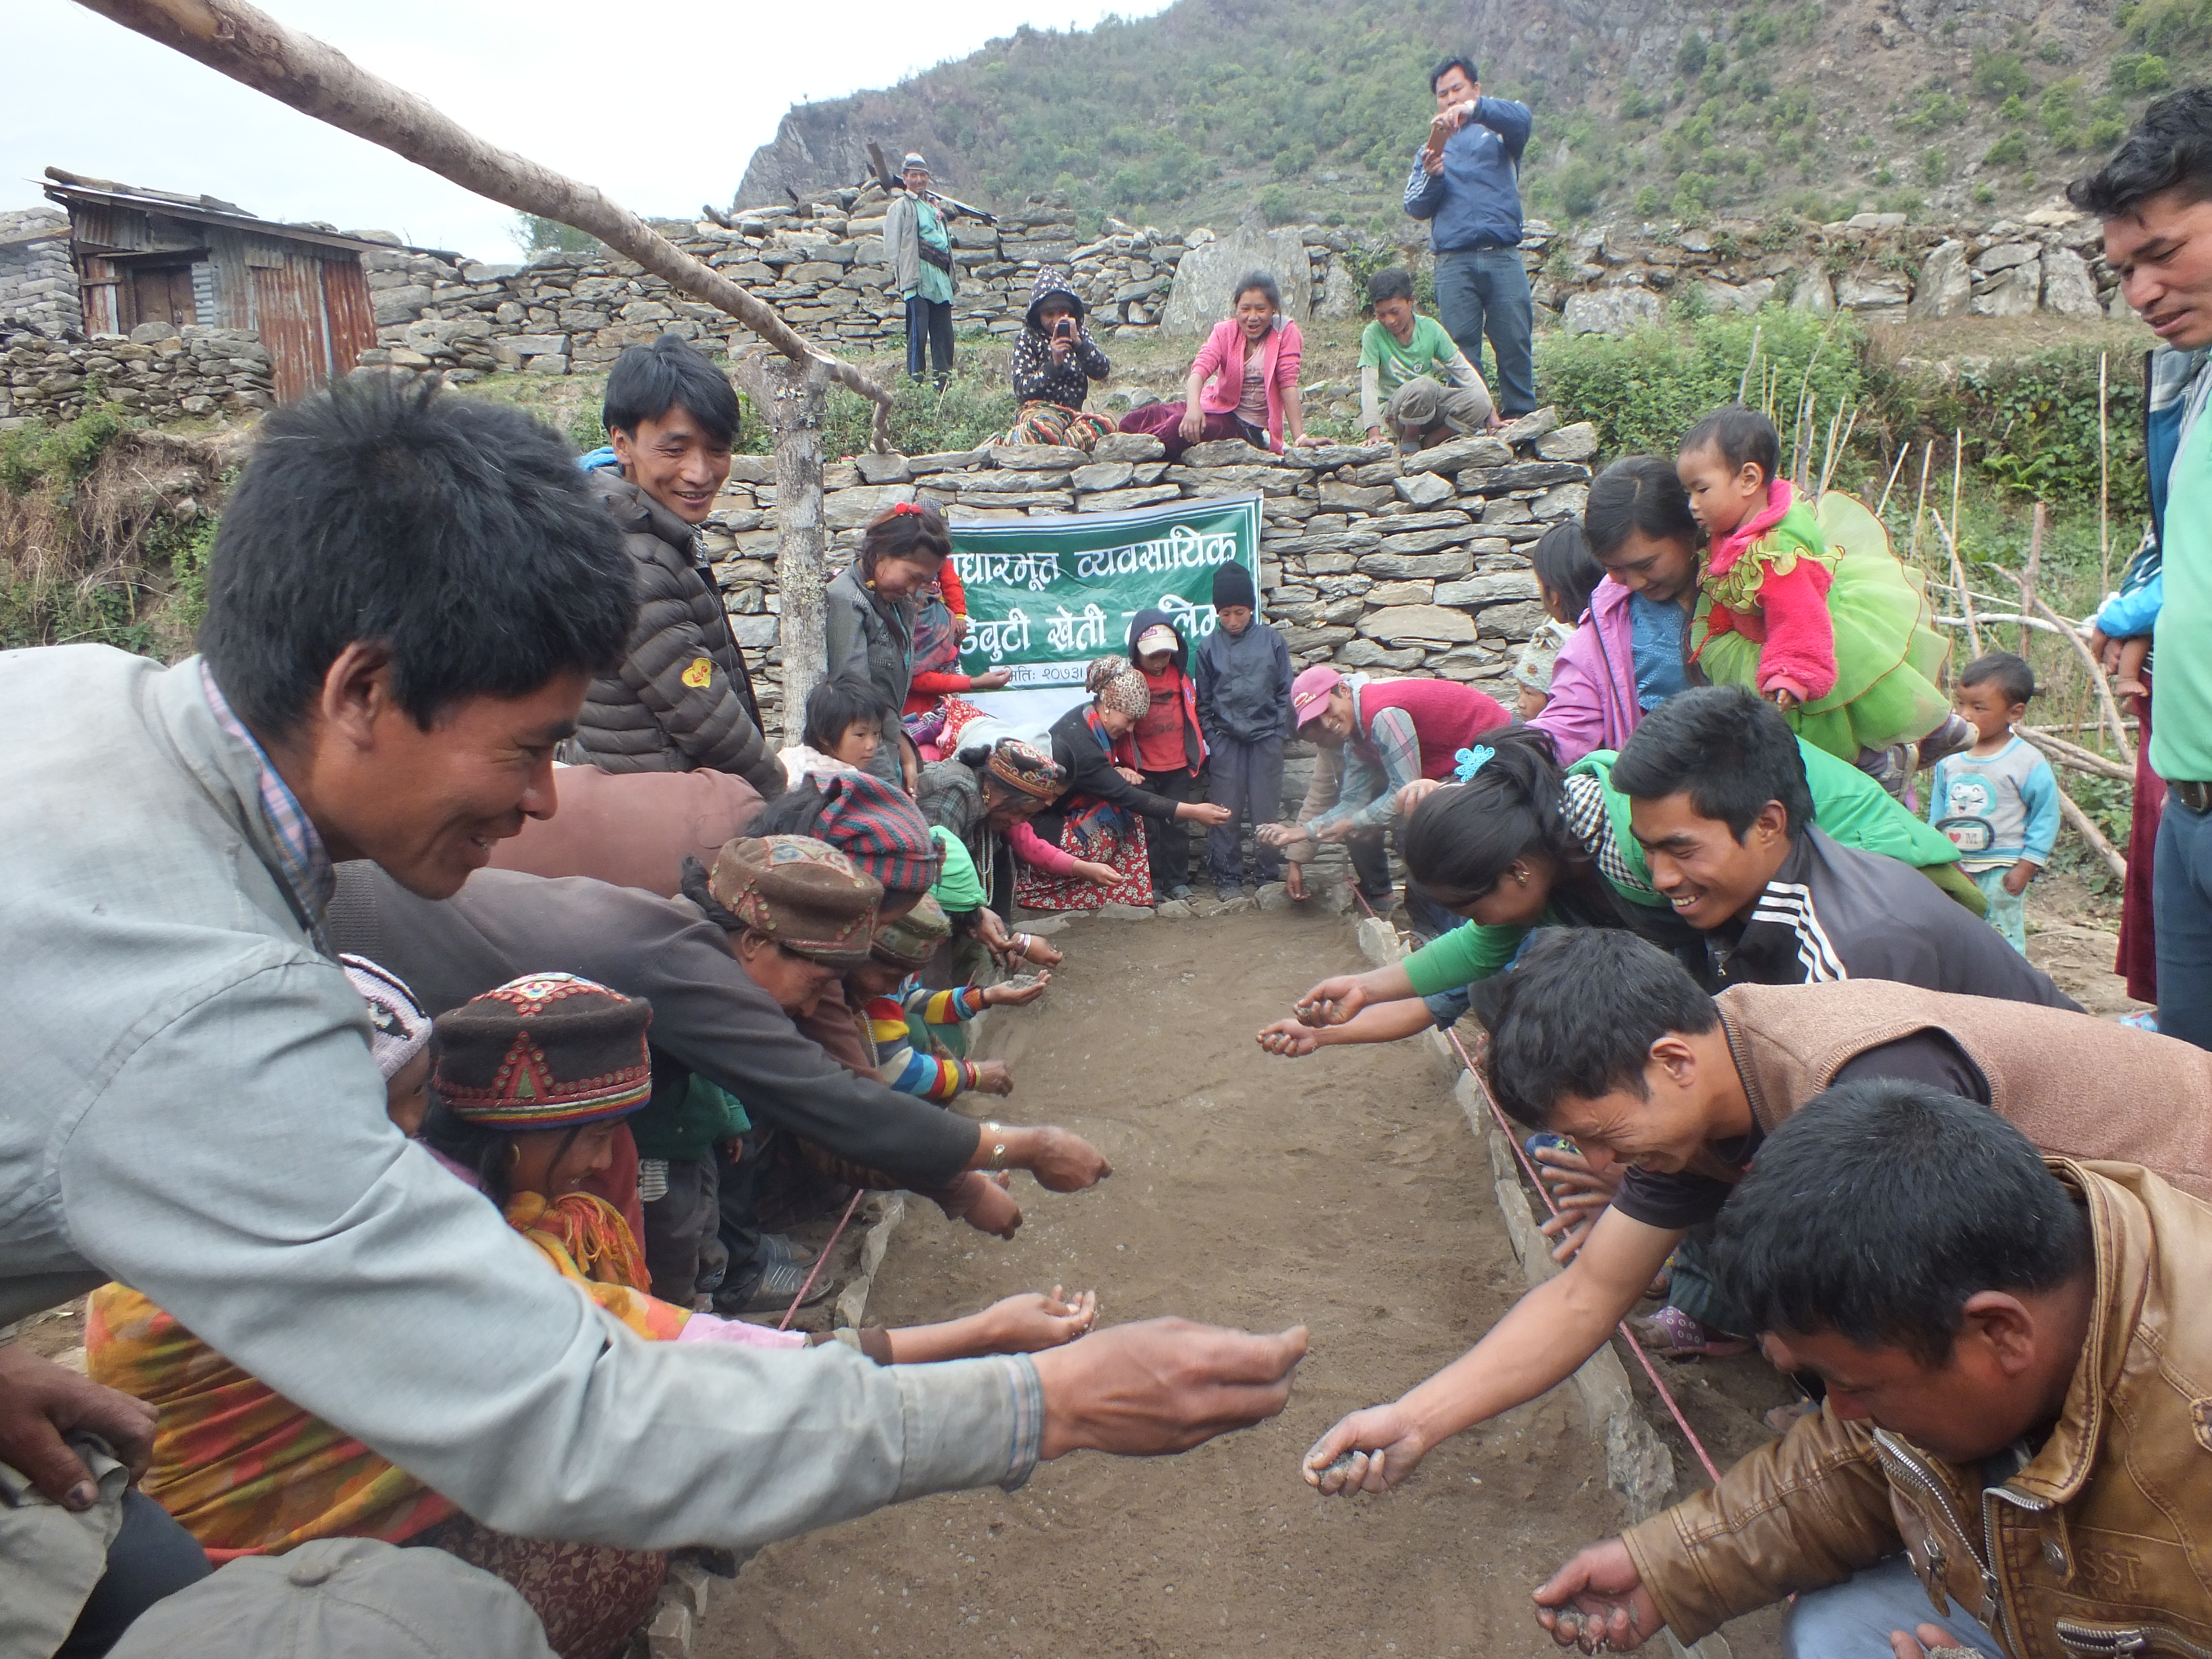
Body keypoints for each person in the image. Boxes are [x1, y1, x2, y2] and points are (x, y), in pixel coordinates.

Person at [0, 371, 1303, 1586]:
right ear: (364, 688)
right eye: (525, 749)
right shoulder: (215, 1018)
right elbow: (565, 1409)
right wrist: (1044, 1404)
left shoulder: (69, 699)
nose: (548, 800)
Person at [90, 969, 1101, 1659]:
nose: (601, 1161)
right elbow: (691, 1359)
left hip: (182, 1544)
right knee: (622, 1517)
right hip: (267, 1587)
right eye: (590, 1138)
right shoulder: (431, 1255)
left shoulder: (192, 1206)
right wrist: (986, 1343)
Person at [1300, 919, 2161, 1506]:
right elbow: (1584, 1297)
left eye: (1600, 1135)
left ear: (1670, 1058)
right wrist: (1415, 1420)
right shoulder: (1699, 1098)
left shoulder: (1860, 1088)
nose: (1597, 1166)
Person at [1530, 1084, 2212, 1659]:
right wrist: (1668, 1565)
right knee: (1836, 1635)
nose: (1841, 1412)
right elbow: (1861, 1458)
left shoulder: (2194, 1422)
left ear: (2001, 1333)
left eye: (1853, 1386)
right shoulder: (2010, 1282)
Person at [1257, 718, 1987, 1062]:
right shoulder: (1549, 855)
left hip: (1872, 877)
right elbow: (1479, 951)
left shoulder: (1637, 847)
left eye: (1470, 904)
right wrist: (1366, 987)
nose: (1472, 924)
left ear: (1517, 874)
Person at [2070, 92, 2212, 1049]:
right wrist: (2145, 607)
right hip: (2191, 797)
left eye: (2165, 254)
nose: (2144, 293)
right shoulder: (2191, 386)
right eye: (2124, 270)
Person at [1675, 405, 1963, 784]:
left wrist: (1791, 673)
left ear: (1748, 479)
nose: (1692, 504)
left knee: (1829, 721)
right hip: (1764, 640)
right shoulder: (1734, 532)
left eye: (1702, 490)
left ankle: (1885, 762)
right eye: (1688, 492)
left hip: (1800, 645)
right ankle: (1931, 737)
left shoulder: (1779, 554)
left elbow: (1798, 615)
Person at [568, 334, 784, 799]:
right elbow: (708, 721)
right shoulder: (628, 563)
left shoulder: (652, 533)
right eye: (675, 449)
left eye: (717, 449)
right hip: (653, 813)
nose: (700, 473)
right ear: (622, 444)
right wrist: (783, 800)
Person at [1259, 665, 1510, 926]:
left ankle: (1460, 930)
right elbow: (1352, 803)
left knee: (1429, 838)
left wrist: (1357, 822)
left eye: (1328, 711)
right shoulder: (1356, 739)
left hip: (1494, 749)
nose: (1328, 725)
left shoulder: (1383, 715)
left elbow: (1407, 793)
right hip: (1456, 766)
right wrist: (1296, 834)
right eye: (1318, 723)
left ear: (1343, 690)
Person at [1018, 656, 1232, 912]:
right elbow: (1128, 797)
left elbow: (1100, 775)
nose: (1131, 729)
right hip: (1045, 829)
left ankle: (1124, 887)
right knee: (1130, 809)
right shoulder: (1082, 743)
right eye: (1129, 719)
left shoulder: (1088, 718)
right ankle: (1077, 888)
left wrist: (1116, 768)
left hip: (1063, 815)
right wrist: (1194, 811)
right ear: (1108, 706)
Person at [1531, 458, 1695, 765]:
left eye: (1646, 565)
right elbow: (1567, 725)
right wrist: (1510, 759)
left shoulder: (1745, 591)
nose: (1633, 582)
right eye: (1614, 568)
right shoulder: (1604, 626)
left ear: (1688, 531)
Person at [1402, 56, 1536, 419]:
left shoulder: (1500, 132)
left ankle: (1521, 420)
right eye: (1442, 94)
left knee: (1514, 341)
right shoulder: (1430, 150)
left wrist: (1476, 111)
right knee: (1460, 351)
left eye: (1457, 89)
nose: (1449, 99)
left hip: (1502, 254)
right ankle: (1471, 426)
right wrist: (1433, 176)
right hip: (1453, 262)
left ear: (1475, 89)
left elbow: (1523, 118)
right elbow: (1414, 206)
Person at [846, 893, 1047, 1099]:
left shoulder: (893, 974)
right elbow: (895, 1070)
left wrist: (988, 997)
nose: (892, 988)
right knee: (918, 1036)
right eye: (891, 976)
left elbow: (911, 998)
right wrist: (973, 1075)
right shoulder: (866, 992)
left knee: (951, 1036)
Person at [1930, 651, 2060, 954]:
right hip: (1955, 865)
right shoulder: (1950, 758)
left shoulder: (2026, 761)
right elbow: (1938, 812)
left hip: (2001, 868)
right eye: (1961, 704)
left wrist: (2026, 867)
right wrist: (1936, 856)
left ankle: (2008, 994)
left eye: (1978, 707)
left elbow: (2045, 816)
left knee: (2003, 937)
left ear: (2014, 713)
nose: (1965, 715)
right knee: (1955, 933)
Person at [825, 500, 950, 791]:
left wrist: (904, 748)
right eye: (913, 577)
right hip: (863, 759)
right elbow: (858, 703)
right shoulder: (847, 601)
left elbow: (885, 698)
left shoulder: (895, 605)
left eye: (925, 582)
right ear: (881, 554)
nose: (913, 590)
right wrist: (886, 787)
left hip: (884, 748)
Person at [2089, 534, 2165, 1009]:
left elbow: (2178, 584)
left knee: (2172, 836)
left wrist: (2118, 619)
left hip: (2185, 703)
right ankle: (2174, 1006)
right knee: (2163, 843)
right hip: (2164, 698)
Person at [1118, 272, 1311, 459]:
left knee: (1177, 427)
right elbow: (1199, 372)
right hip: (1215, 406)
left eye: (1261, 309)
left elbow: (1288, 384)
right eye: (1245, 309)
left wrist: (1299, 438)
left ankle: (1128, 451)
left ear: (1273, 310)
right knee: (1147, 416)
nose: (1253, 317)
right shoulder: (1225, 332)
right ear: (1236, 309)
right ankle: (1109, 434)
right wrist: (1194, 409)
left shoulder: (1286, 334)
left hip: (1243, 428)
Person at [1194, 561, 1294, 902]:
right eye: (1225, 614)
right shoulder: (1208, 648)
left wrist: (1279, 732)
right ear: (1216, 612)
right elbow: (1203, 703)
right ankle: (1227, 878)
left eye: (1239, 612)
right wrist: (1215, 740)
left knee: (1266, 810)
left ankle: (1268, 876)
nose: (1233, 621)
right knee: (1225, 811)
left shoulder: (1272, 641)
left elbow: (1286, 692)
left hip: (1267, 738)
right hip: (1227, 742)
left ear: (1251, 608)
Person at [918, 735, 1075, 933]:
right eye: (1018, 810)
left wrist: (1005, 932)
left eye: (1028, 816)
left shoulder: (989, 808)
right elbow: (933, 875)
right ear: (990, 785)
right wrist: (1011, 938)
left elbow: (996, 875)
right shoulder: (955, 790)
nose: (1017, 822)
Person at [1358, 265, 1495, 451]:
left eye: (1395, 312)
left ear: (1411, 301)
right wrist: (1374, 431)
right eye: (1382, 315)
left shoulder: (1430, 328)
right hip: (1395, 414)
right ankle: (1409, 440)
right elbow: (1369, 384)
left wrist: (1491, 413)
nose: (1389, 321)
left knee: (1480, 401)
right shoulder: (1373, 334)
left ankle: (1433, 440)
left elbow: (1462, 369)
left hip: (1429, 407)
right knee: (1424, 386)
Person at [1124, 607, 1208, 901]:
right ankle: (1153, 884)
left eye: (1165, 654)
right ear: (1137, 651)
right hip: (1142, 768)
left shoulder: (1180, 677)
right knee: (1148, 829)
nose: (1160, 661)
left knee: (1178, 827)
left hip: (1176, 767)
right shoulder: (1129, 680)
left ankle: (1177, 881)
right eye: (1152, 655)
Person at [1004, 270, 1113, 450]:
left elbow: (1102, 370)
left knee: (1109, 422)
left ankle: (1062, 446)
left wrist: (1079, 344)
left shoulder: (1080, 334)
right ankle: (1010, 441)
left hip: (1073, 416)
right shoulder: (1027, 339)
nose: (1056, 320)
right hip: (1038, 413)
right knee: (1047, 429)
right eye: (1049, 314)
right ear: (1038, 316)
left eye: (1063, 313)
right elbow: (1022, 390)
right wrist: (1053, 364)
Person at [883, 151, 955, 386]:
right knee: (918, 332)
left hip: (939, 278)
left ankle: (943, 381)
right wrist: (901, 276)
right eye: (914, 175)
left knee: (943, 333)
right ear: (905, 178)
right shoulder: (901, 207)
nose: (919, 180)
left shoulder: (934, 208)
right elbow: (893, 247)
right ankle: (916, 382)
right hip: (917, 276)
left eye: (923, 176)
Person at [780, 675, 887, 787]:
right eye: (860, 735)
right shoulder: (843, 783)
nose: (871, 745)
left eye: (876, 733)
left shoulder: (788, 758)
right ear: (825, 735)